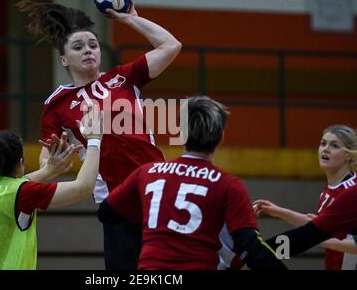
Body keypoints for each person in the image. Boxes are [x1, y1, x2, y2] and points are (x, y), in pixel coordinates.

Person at [17, 0, 181, 270]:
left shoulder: (123, 78)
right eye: (78, 47)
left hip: (156, 190)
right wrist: (51, 166)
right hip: (116, 199)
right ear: (64, 59)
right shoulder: (57, 103)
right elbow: (48, 155)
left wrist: (130, 19)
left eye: (93, 45)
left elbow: (171, 46)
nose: (88, 51)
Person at [98, 96, 287, 270]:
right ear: (221, 137)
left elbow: (106, 212)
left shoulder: (147, 173)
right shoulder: (228, 185)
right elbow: (250, 245)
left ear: (180, 134)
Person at [0, 109, 103, 270]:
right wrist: (94, 140)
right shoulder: (23, 193)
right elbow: (84, 188)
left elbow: (17, 184)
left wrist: (48, 170)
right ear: (21, 162)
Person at [253, 125, 357, 269]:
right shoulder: (330, 188)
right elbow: (316, 227)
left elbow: (314, 233)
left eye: (334, 145)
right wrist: (278, 211)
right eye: (323, 143)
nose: (325, 149)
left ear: (349, 155)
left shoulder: (351, 191)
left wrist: (317, 239)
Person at [265, 180, 357, 263]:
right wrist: (280, 212)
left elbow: (311, 233)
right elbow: (316, 227)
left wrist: (260, 251)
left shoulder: (351, 191)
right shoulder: (335, 187)